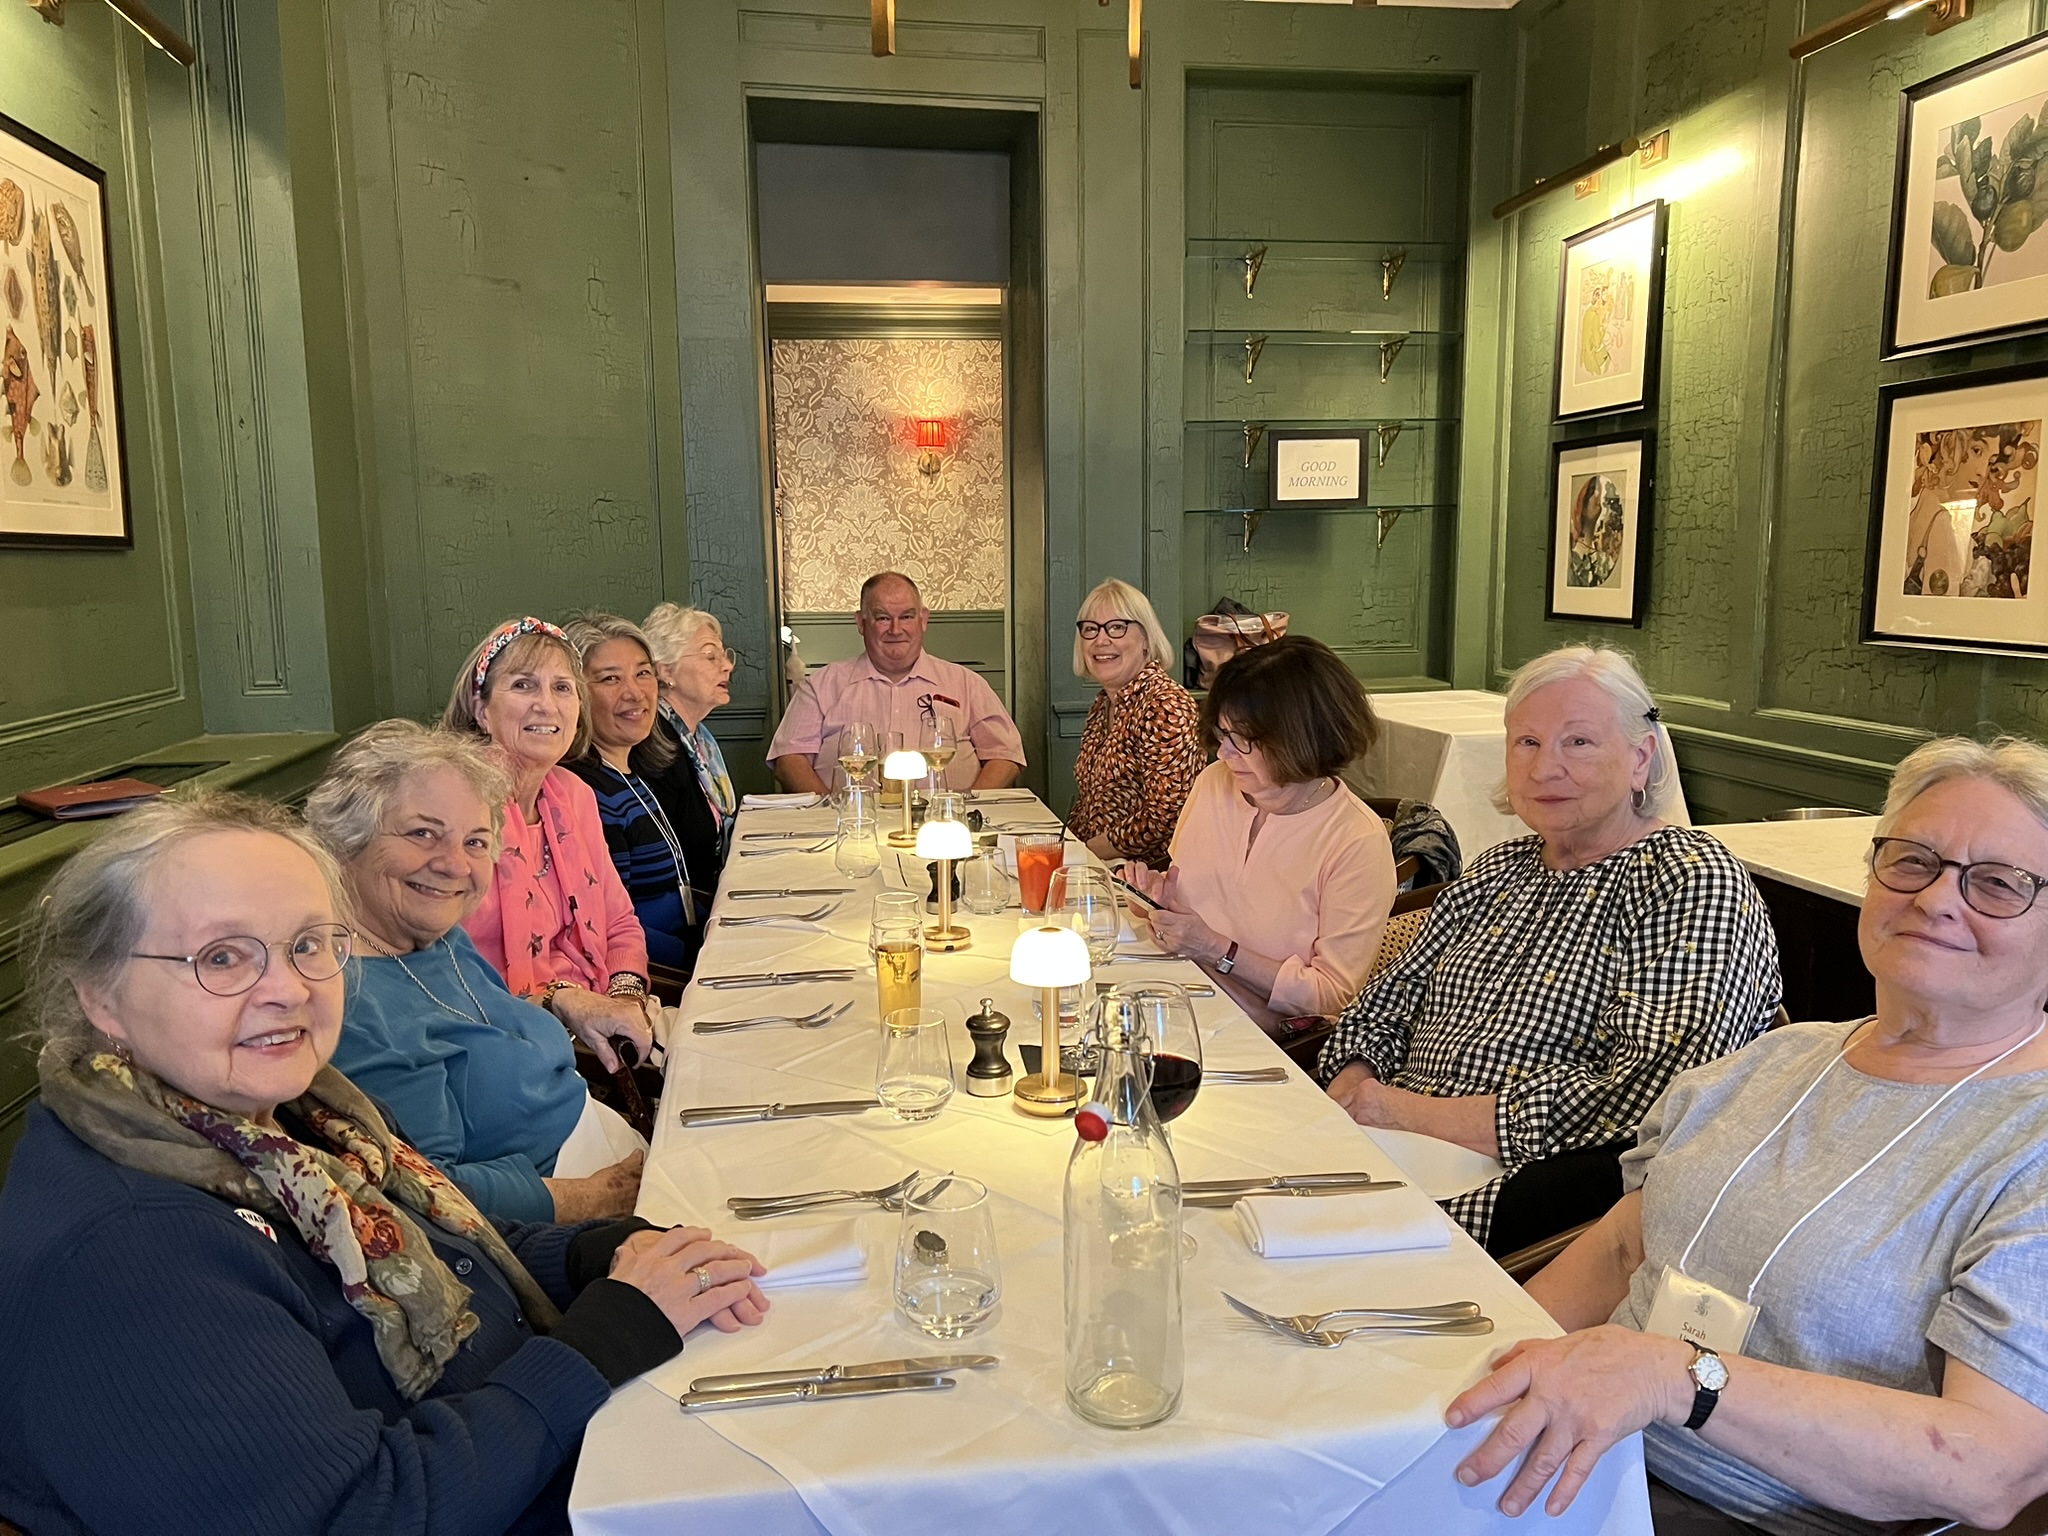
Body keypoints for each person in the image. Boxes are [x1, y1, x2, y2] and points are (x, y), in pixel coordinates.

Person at [0, 792, 768, 1536]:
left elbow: (442, 1243)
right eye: (223, 957)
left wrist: (593, 1252)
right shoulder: (130, 1250)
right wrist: (607, 1338)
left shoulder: (297, 1115)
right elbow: (361, 1513)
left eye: (309, 944)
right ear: (101, 995)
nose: (288, 989)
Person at [1446, 736, 2048, 1536]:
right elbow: (1621, 1251)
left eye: (1999, 884)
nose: (1937, 899)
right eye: (1912, 860)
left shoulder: (2029, 1142)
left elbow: (1990, 1468)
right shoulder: (1771, 1061)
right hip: (1567, 1454)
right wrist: (1460, 1389)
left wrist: (1679, 1379)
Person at [1318, 644, 1780, 1255]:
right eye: (1527, 742)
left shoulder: (1688, 879)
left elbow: (1652, 1091)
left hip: (1520, 1200)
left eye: (1578, 742)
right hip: (1379, 1149)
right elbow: (1381, 1007)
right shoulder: (1497, 870)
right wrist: (1352, 1096)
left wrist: (1403, 1114)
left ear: (1641, 758)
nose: (1543, 769)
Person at [307, 721, 646, 1225]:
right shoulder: (351, 1002)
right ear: (346, 839)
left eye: (476, 842)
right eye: (423, 834)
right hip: (567, 1221)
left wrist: (559, 998)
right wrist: (595, 1199)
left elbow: (474, 1023)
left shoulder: (436, 936)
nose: (455, 865)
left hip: (612, 1152)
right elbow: (427, 1194)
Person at [1124, 636, 1396, 1021]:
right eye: (1222, 735)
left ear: (1301, 740)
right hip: (1173, 994)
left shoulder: (1356, 841)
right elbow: (1196, 897)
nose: (1223, 753)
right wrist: (1157, 901)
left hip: (1259, 1037)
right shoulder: (1214, 783)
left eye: (1242, 741)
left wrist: (1216, 950)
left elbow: (1331, 996)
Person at [443, 616, 653, 1071]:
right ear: (481, 709)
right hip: (498, 1047)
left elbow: (620, 921)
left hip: (600, 1023)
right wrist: (563, 1001)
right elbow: (440, 973)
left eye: (562, 688)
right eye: (523, 685)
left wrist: (624, 996)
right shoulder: (455, 808)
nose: (546, 705)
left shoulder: (573, 795)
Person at [767, 571, 1026, 793]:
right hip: (851, 824)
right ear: (861, 622)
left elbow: (1005, 755)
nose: (895, 629)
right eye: (882, 618)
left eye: (907, 617)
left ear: (923, 620)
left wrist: (967, 809)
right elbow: (789, 758)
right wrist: (829, 812)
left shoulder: (967, 684)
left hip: (947, 824)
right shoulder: (821, 686)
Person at [563, 612, 719, 977]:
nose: (634, 693)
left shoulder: (628, 772)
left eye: (643, 673)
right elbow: (610, 929)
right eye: (610, 678)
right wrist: (703, 958)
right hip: (662, 973)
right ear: (575, 694)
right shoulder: (588, 793)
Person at [1066, 577, 1204, 869]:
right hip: (1101, 864)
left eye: (1117, 627)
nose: (1101, 640)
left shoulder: (1164, 705)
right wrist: (1067, 847)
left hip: (1151, 874)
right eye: (1090, 629)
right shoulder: (1104, 704)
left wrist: (1085, 852)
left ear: (1146, 639)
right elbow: (1090, 803)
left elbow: (1166, 816)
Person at [642, 600, 737, 872]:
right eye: (710, 656)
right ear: (666, 671)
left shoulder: (699, 740)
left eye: (724, 655)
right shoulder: (656, 745)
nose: (727, 666)